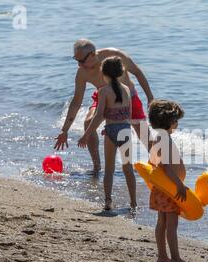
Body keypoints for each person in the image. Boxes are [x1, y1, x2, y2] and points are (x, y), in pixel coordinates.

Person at [55, 39, 154, 174]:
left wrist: (150, 98)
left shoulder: (115, 56)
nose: (79, 64)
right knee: (88, 122)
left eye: (82, 61)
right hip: (103, 97)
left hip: (127, 97)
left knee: (143, 133)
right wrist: (64, 130)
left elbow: (137, 72)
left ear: (92, 54)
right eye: (76, 60)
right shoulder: (82, 73)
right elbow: (76, 102)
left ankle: (158, 164)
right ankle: (96, 167)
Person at [78, 57, 136, 212]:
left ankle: (108, 201)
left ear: (103, 73)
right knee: (128, 168)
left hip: (111, 131)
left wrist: (87, 135)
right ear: (120, 72)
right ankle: (133, 203)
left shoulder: (103, 91)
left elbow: (98, 116)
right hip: (125, 130)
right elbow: (128, 114)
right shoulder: (127, 89)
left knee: (109, 169)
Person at [147, 99, 190, 262]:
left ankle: (162, 256)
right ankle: (175, 257)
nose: (177, 123)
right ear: (171, 121)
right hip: (169, 188)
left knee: (162, 222)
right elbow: (165, 165)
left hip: (162, 187)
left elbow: (154, 162)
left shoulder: (158, 138)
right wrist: (179, 185)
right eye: (176, 120)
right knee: (172, 224)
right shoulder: (163, 139)